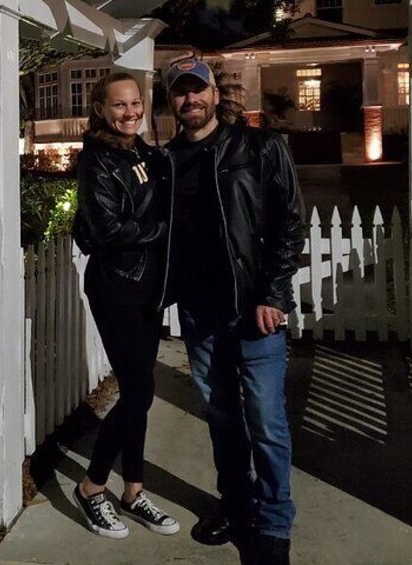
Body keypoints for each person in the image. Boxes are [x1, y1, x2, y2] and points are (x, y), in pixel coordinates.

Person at [162, 59, 305, 564]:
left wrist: (274, 294)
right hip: (201, 317)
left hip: (254, 312)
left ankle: (272, 522)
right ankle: (237, 504)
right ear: (170, 101)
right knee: (223, 420)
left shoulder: (261, 147)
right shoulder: (168, 161)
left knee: (265, 421)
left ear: (214, 94)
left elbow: (290, 223)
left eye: (197, 89)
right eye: (180, 93)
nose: (190, 100)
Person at [70, 71, 180, 539]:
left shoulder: (149, 155)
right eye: (119, 105)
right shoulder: (96, 161)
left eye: (135, 103)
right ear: (101, 109)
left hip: (149, 288)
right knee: (137, 392)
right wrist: (164, 231)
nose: (130, 111)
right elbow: (110, 230)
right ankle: (93, 487)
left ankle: (133, 491)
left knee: (141, 391)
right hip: (117, 285)